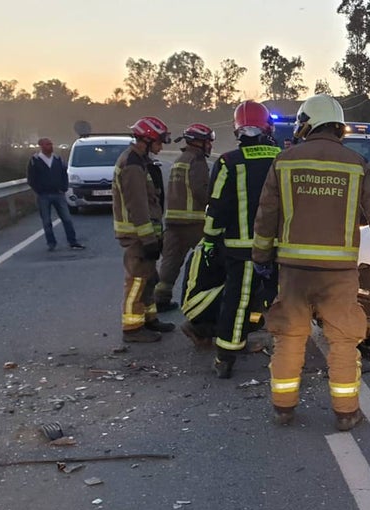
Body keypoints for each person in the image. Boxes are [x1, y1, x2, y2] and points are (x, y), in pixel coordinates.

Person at [252, 93, 370, 430]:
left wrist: (261, 257)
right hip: (339, 274)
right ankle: (346, 412)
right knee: (343, 340)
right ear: (337, 126)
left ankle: (283, 407)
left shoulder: (285, 161)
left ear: (308, 123)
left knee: (289, 337)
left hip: (293, 271)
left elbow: (266, 217)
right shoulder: (356, 163)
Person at [202, 101, 281, 378]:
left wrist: (210, 241)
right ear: (267, 128)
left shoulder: (228, 162)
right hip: (278, 247)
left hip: (241, 249)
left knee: (236, 300)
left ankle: (226, 357)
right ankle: (287, 354)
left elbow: (216, 207)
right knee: (276, 297)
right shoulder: (283, 157)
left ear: (237, 131)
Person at [112, 117, 175, 343]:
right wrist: (148, 239)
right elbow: (138, 205)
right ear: (146, 139)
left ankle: (149, 319)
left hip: (145, 233)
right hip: (138, 235)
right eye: (158, 141)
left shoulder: (139, 161)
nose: (161, 146)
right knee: (137, 279)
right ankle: (132, 328)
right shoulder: (132, 165)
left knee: (149, 277)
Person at [154, 124, 214, 311]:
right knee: (209, 260)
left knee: (170, 263)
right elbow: (200, 190)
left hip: (173, 221)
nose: (210, 146)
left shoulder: (180, 159)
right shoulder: (197, 161)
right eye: (208, 142)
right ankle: (205, 301)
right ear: (198, 142)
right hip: (194, 222)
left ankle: (160, 299)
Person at [26, 138, 84, 251]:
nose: (50, 146)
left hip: (58, 194)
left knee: (67, 219)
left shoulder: (57, 159)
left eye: (51, 144)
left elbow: (64, 174)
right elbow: (31, 178)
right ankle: (51, 243)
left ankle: (73, 241)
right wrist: (39, 190)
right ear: (41, 146)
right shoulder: (35, 160)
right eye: (47, 144)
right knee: (47, 221)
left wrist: (64, 188)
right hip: (43, 195)